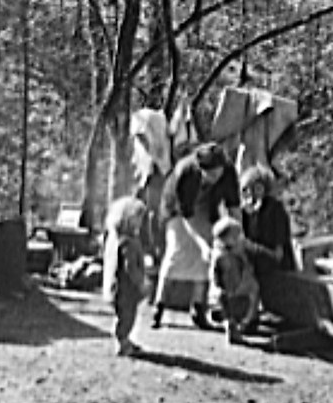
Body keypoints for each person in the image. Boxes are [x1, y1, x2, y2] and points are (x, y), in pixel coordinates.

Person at [152, 142, 240, 330]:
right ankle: (159, 305)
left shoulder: (229, 172)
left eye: (218, 173)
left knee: (206, 259)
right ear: (200, 169)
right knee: (177, 251)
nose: (215, 178)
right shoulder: (185, 172)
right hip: (178, 211)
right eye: (210, 174)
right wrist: (202, 245)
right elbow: (186, 216)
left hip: (206, 208)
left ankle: (198, 308)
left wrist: (236, 237)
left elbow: (234, 207)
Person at [102, 196, 149, 356]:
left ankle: (125, 339)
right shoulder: (127, 242)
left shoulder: (123, 240)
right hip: (125, 287)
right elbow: (129, 267)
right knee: (126, 315)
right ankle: (122, 342)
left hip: (124, 287)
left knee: (128, 314)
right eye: (138, 219)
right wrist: (140, 282)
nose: (140, 223)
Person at [240, 164, 296, 285]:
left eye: (250, 189)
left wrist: (250, 248)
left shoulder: (275, 209)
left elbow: (278, 254)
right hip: (257, 270)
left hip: (278, 271)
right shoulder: (244, 212)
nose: (247, 195)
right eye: (244, 191)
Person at [208, 215, 260, 344]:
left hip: (227, 291)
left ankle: (234, 330)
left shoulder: (220, 252)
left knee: (231, 315)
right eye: (236, 236)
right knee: (249, 296)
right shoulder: (226, 256)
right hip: (234, 290)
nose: (239, 239)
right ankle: (243, 323)